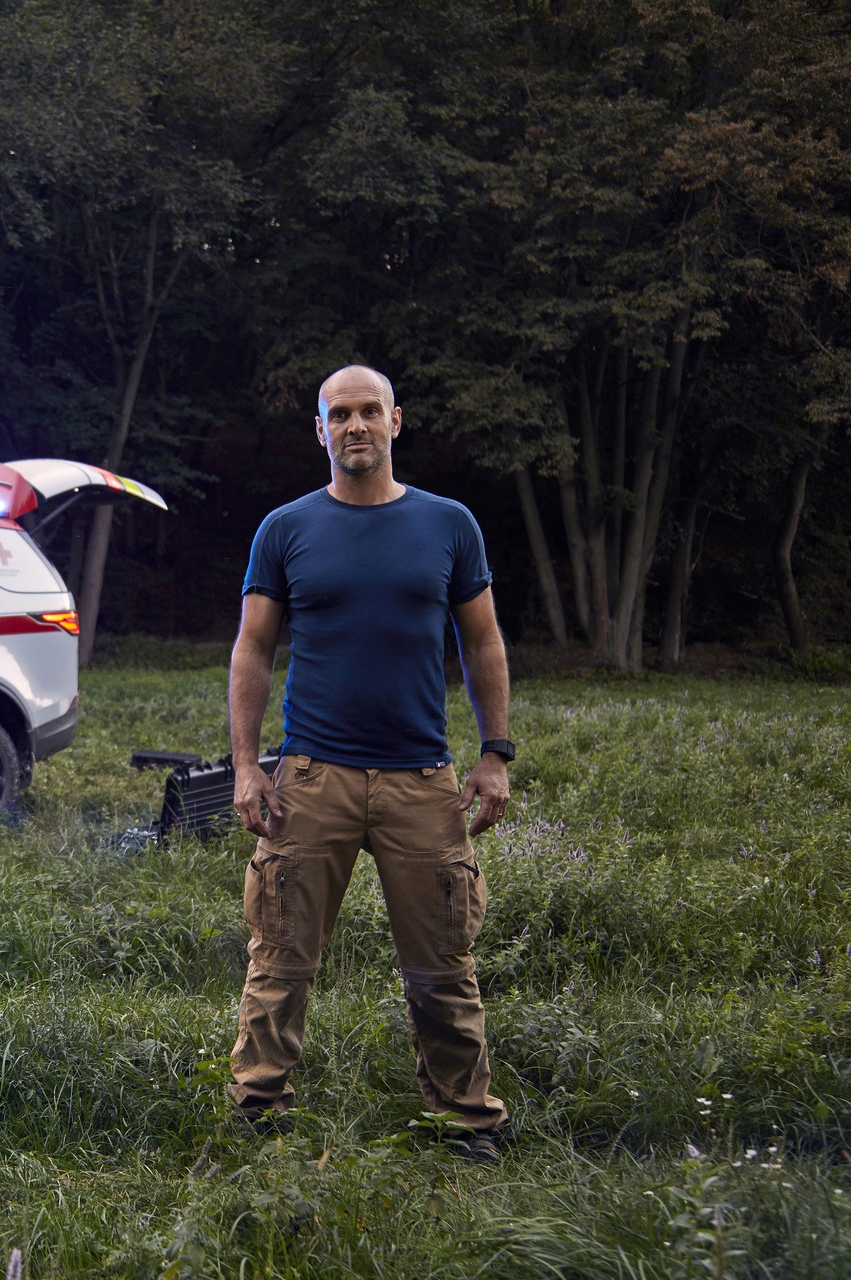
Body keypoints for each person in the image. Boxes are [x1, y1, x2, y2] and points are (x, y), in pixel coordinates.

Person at [226, 364, 514, 1161]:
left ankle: (467, 1124)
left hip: (424, 780)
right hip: (311, 778)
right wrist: (248, 765)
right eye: (339, 414)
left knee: (444, 966)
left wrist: (494, 754)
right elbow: (253, 648)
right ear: (320, 431)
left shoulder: (449, 524)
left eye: (369, 412)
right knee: (279, 956)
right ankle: (259, 1116)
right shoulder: (285, 529)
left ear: (396, 422)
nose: (356, 425)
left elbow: (482, 640)